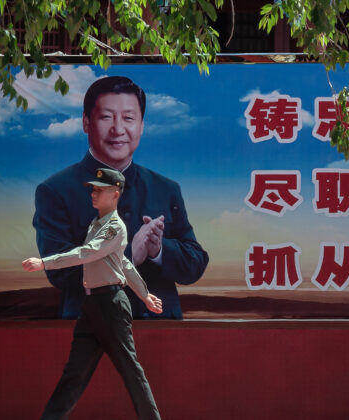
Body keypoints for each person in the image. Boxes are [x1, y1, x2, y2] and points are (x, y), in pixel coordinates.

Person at [33, 76, 209, 320]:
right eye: (106, 117)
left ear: (141, 125)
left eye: (128, 118)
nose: (118, 129)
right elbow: (58, 270)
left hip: (162, 329)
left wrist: (158, 249)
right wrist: (130, 256)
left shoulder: (166, 188)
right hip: (90, 328)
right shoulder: (55, 190)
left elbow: (195, 265)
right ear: (86, 122)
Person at [23, 168, 162, 420]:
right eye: (93, 189)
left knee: (131, 371)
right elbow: (125, 264)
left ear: (116, 194)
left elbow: (86, 253)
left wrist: (44, 262)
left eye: (100, 189)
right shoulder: (97, 223)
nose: (94, 193)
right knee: (74, 373)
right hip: (93, 306)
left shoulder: (114, 227)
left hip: (110, 305)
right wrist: (145, 294)